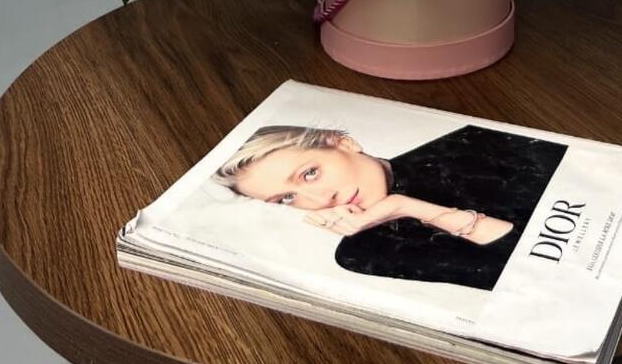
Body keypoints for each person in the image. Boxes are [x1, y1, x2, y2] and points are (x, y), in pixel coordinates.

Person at [214, 122, 566, 290]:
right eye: (287, 198)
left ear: (343, 143)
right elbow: (534, 276)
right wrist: (404, 207)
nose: (319, 200)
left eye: (310, 173)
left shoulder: (468, 141)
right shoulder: (363, 251)